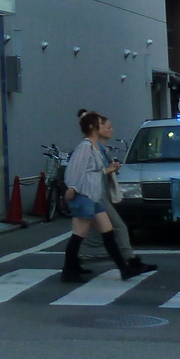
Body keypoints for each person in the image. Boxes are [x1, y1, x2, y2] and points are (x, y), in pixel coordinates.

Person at [60, 111, 139, 283]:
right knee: (79, 235)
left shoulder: (95, 147)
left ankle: (124, 269)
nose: (103, 126)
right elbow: (75, 169)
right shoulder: (85, 147)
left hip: (93, 196)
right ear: (91, 127)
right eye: (100, 124)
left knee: (108, 232)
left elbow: (93, 171)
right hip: (84, 195)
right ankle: (68, 271)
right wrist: (72, 187)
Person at [75, 110, 155, 275]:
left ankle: (75, 262)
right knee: (115, 228)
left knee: (91, 232)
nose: (111, 129)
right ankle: (130, 262)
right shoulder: (89, 147)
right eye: (106, 126)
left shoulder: (101, 148)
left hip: (97, 193)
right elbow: (83, 172)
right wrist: (108, 169)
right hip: (94, 194)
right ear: (96, 128)